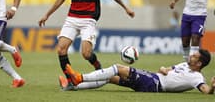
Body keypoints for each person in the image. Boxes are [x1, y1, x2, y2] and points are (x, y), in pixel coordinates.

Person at [38, 0, 135, 90]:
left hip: (88, 20)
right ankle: (70, 81)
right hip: (72, 19)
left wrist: (126, 8)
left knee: (86, 54)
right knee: (61, 49)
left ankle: (97, 66)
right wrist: (47, 15)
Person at [63, 49, 215, 94]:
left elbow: (205, 90)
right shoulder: (184, 64)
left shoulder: (196, 77)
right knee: (111, 77)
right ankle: (74, 86)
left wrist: (213, 87)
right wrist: (163, 69)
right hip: (153, 78)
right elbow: (167, 69)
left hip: (154, 84)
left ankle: (79, 78)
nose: (192, 55)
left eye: (195, 56)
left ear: (199, 63)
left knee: (118, 68)